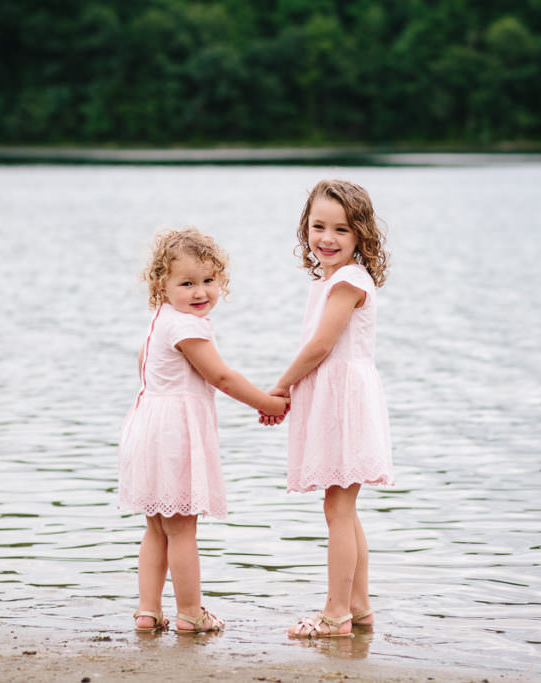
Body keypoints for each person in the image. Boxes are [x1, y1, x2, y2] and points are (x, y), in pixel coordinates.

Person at [119, 227, 289, 635]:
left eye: (209, 281)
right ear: (162, 285)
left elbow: (145, 363)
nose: (201, 292)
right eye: (187, 283)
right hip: (175, 435)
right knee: (182, 529)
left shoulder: (160, 321)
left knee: (156, 526)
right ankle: (190, 613)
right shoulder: (188, 328)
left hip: (146, 426)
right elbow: (222, 377)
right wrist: (267, 403)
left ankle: (147, 611)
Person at [261, 179, 393, 638]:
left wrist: (280, 387)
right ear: (306, 228)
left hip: (346, 401)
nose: (327, 238)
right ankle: (358, 607)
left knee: (339, 506)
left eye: (341, 228)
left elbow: (320, 345)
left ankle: (335, 612)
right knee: (341, 506)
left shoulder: (350, 281)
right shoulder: (330, 280)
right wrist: (299, 392)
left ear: (361, 235)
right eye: (318, 226)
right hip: (335, 395)